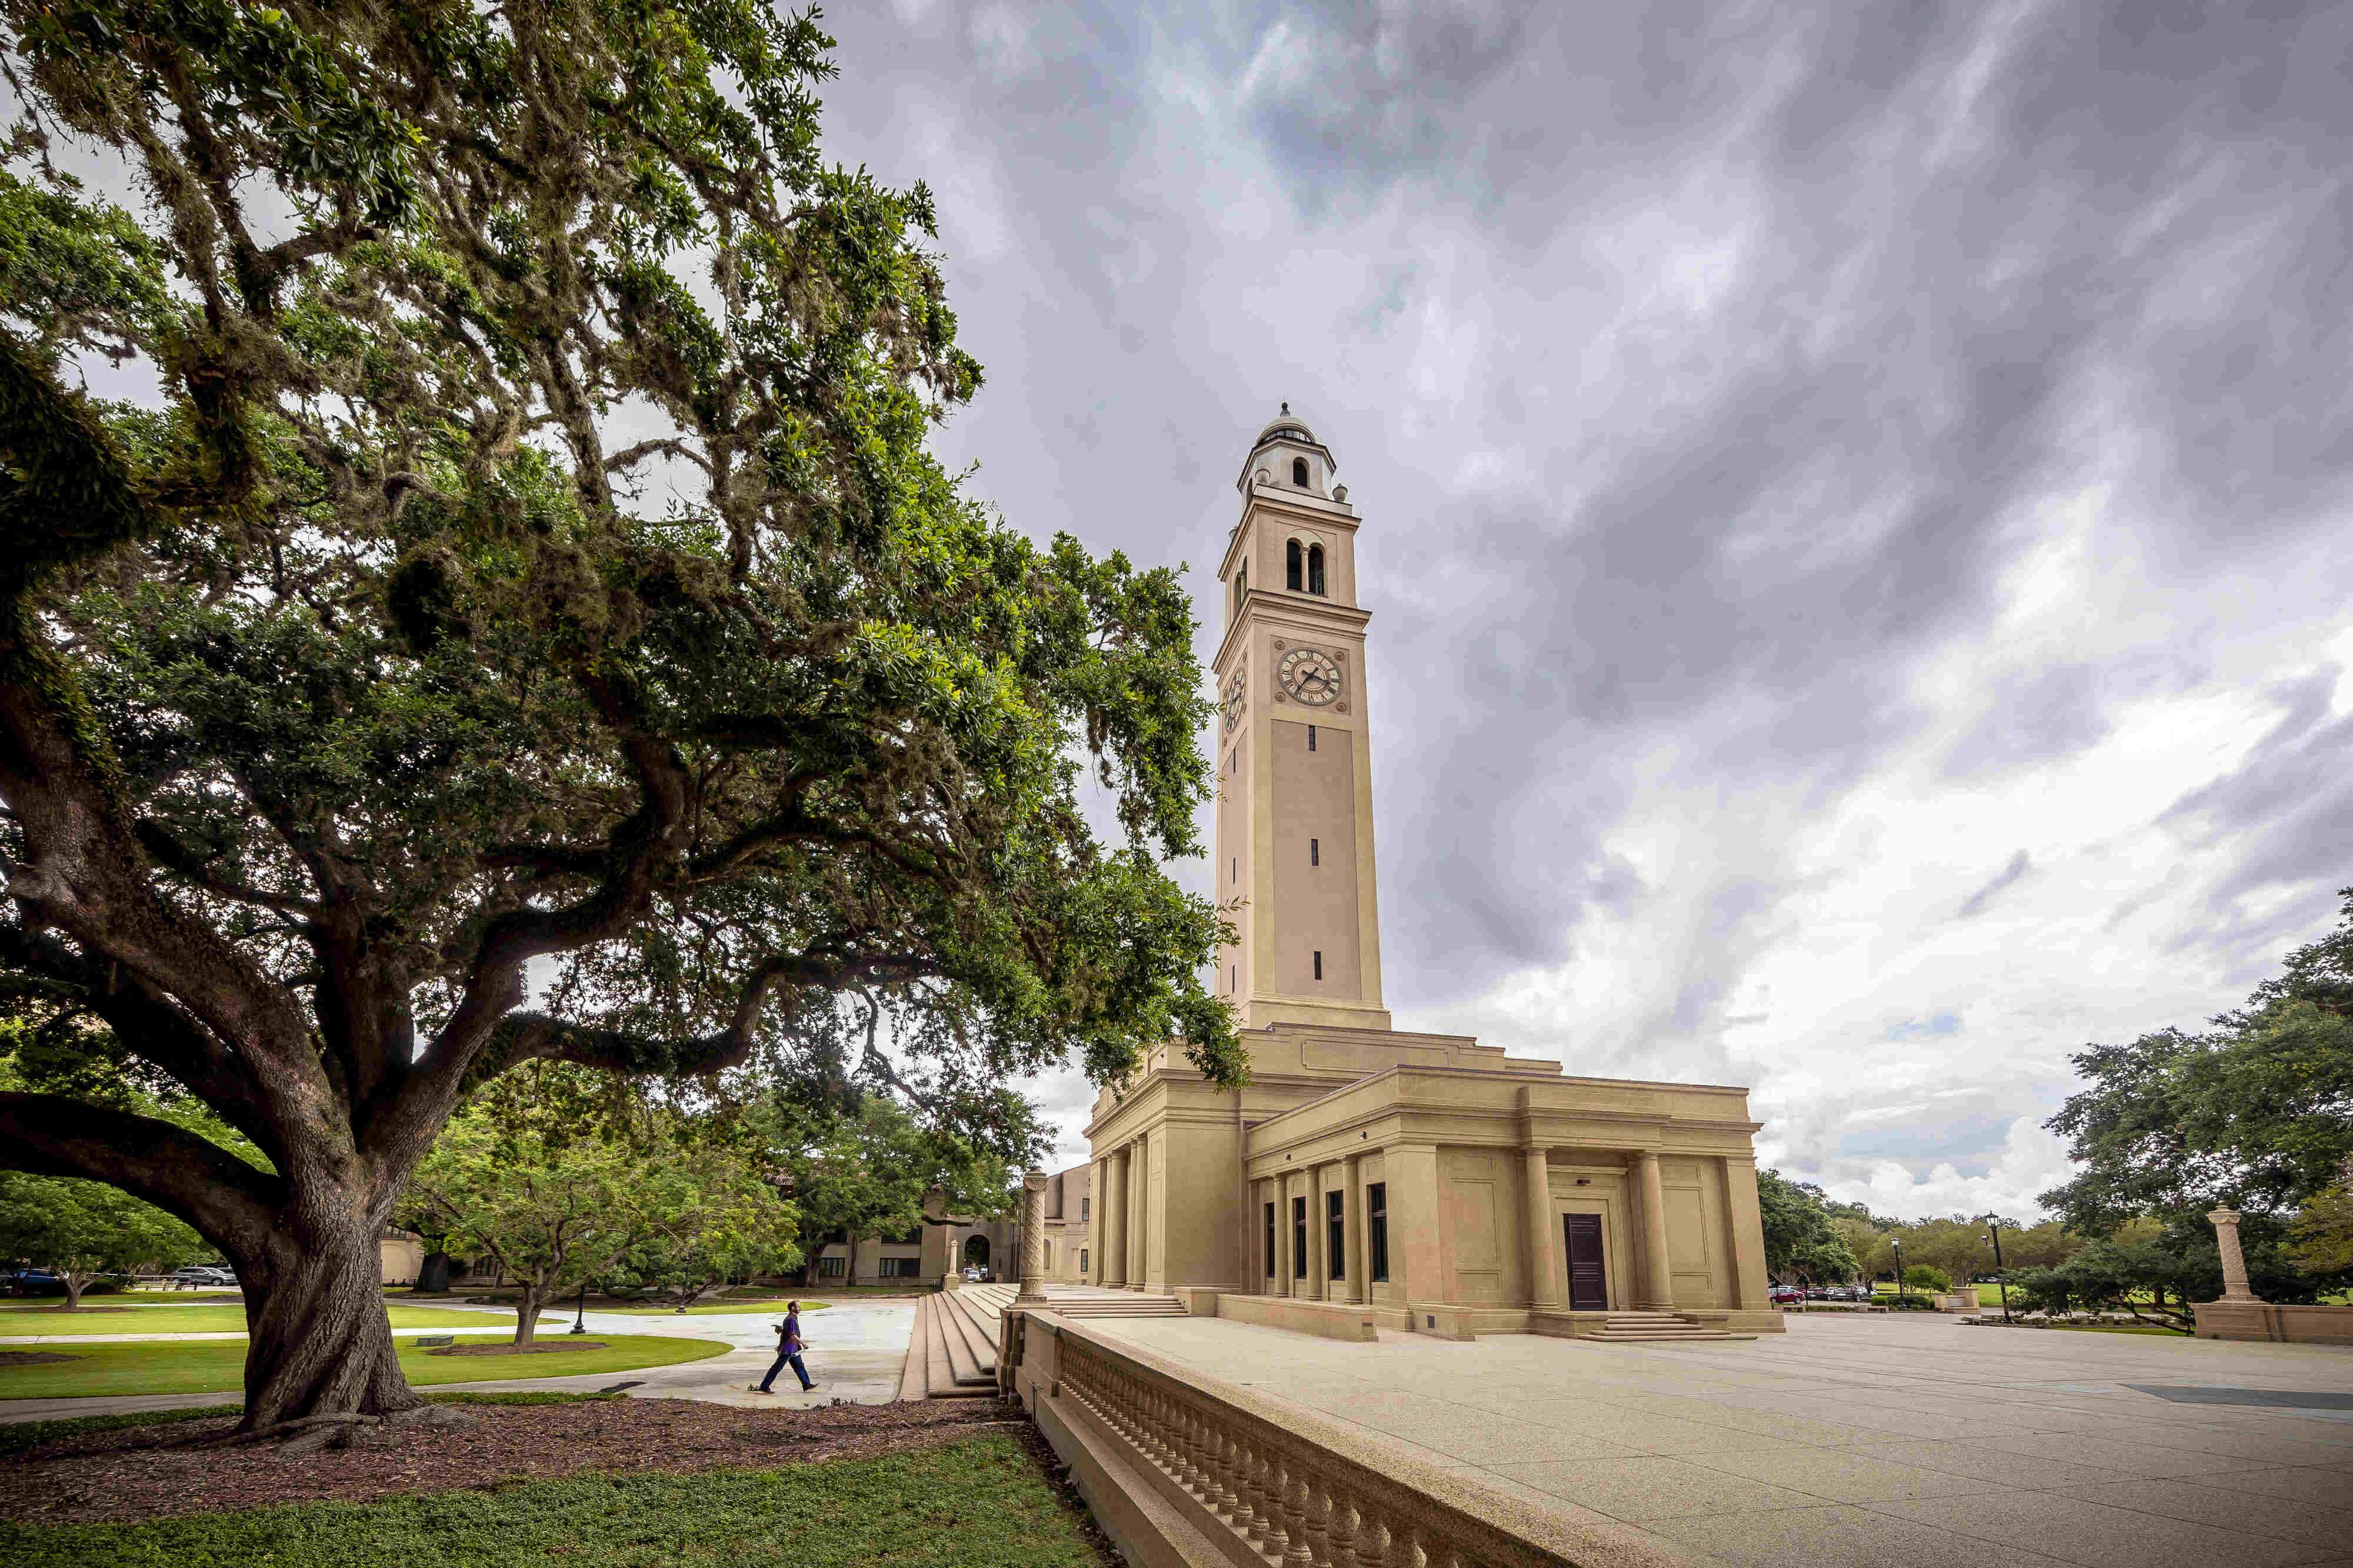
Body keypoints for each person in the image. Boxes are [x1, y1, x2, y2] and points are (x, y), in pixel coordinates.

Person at [749, 1301, 815, 1394]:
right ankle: (764, 1387)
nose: (800, 1308)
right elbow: (792, 1335)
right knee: (776, 1368)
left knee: (799, 1366)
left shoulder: (792, 1318)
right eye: (798, 1307)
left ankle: (806, 1385)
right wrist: (803, 1343)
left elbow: (787, 1332)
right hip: (789, 1349)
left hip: (794, 1348)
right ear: (793, 1308)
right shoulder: (791, 1319)